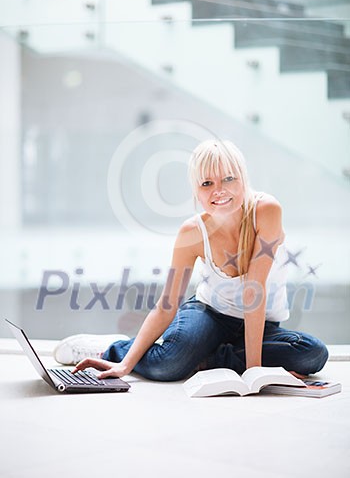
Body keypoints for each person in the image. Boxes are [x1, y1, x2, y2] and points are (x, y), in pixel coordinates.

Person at [54, 139, 329, 381]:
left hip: (261, 322)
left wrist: (253, 372)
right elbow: (168, 303)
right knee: (167, 367)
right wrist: (126, 365)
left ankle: (204, 359)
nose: (218, 190)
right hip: (209, 314)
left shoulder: (266, 211)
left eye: (228, 179)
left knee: (312, 355)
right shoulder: (192, 232)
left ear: (243, 178)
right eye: (207, 183)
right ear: (196, 192)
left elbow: (253, 290)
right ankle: (117, 349)